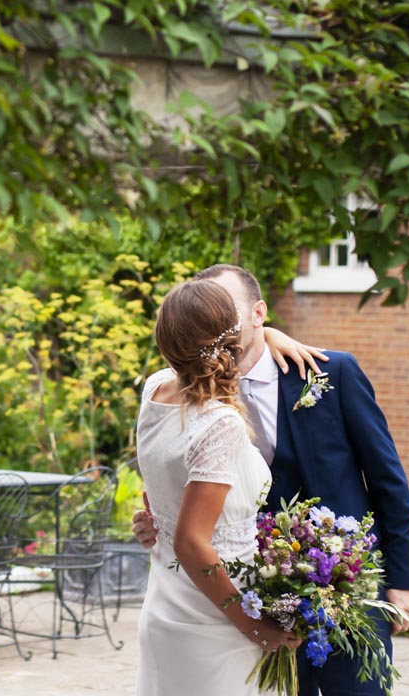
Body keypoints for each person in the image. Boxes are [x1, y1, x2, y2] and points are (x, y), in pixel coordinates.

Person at [135, 264, 409, 696]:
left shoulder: (331, 374)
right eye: (210, 312)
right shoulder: (197, 402)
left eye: (227, 310)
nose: (217, 319)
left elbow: (388, 480)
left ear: (257, 314)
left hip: (344, 584)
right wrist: (157, 517)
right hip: (255, 597)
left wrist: (402, 582)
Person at [135, 277, 299, 695]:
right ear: (231, 336)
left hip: (165, 607)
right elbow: (192, 542)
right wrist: (255, 628)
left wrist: (153, 518)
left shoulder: (155, 389)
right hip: (217, 622)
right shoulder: (219, 422)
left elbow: (161, 487)